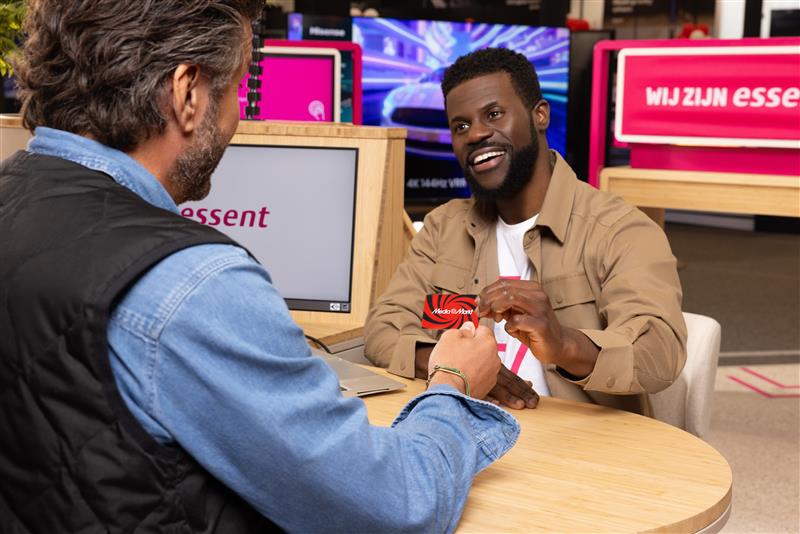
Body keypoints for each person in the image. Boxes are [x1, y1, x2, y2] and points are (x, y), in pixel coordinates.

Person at [0, 3, 519, 532]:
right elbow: (400, 505)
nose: (237, 118)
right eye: (239, 91)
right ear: (187, 94)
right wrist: (452, 383)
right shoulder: (193, 283)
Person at [365, 48, 687, 415]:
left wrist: (564, 344)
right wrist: (451, 369)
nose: (476, 134)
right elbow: (383, 327)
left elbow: (660, 352)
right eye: (461, 126)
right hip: (465, 428)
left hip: (578, 441)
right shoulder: (442, 227)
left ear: (540, 115)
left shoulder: (620, 229)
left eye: (494, 114)